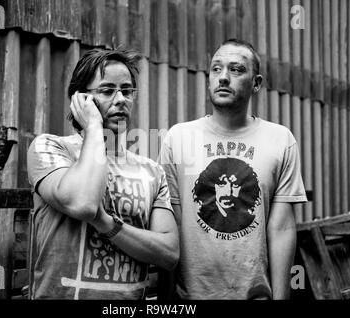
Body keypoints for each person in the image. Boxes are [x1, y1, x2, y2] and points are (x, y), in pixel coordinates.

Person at [159, 39, 307, 299]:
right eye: (216, 69)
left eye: (236, 69)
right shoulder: (178, 138)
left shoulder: (280, 139)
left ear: (257, 83)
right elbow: (170, 223)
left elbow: (282, 227)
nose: (223, 77)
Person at [27, 48, 179, 300]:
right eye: (108, 91)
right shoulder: (51, 148)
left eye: (127, 91)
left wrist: (106, 223)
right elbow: (84, 203)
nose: (121, 99)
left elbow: (169, 254)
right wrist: (94, 125)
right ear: (80, 99)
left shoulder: (152, 171)